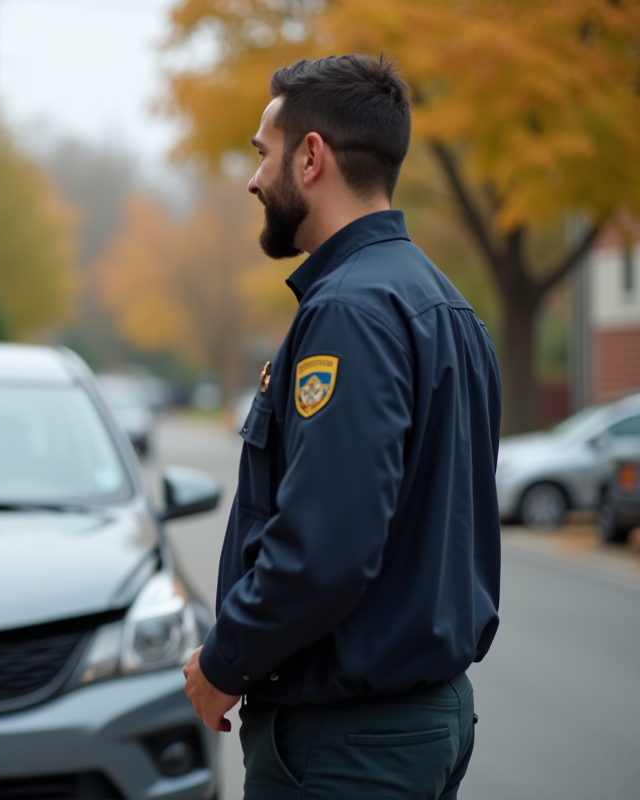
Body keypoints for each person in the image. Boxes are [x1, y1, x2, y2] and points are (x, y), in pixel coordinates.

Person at [182, 55, 502, 798]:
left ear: (312, 155)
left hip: (347, 745)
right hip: (422, 719)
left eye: (263, 153)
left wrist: (223, 663)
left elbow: (325, 546)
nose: (254, 180)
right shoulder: (443, 303)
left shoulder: (348, 311)